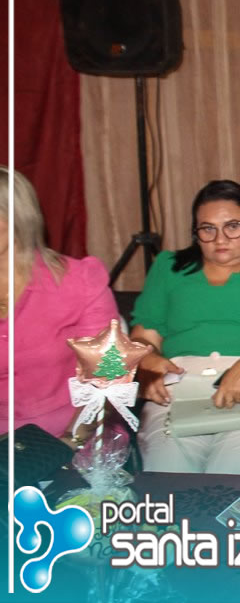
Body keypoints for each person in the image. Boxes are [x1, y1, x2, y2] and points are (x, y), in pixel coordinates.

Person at [131, 180, 240, 474]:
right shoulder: (168, 267)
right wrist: (146, 361)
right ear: (195, 233)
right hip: (178, 394)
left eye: (233, 226)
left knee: (233, 467)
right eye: (207, 229)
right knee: (167, 472)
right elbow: (143, 338)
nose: (220, 239)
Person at [1, 167, 118, 437]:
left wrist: (69, 442)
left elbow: (108, 374)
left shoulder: (78, 281)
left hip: (73, 435)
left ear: (18, 218)